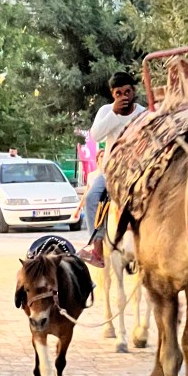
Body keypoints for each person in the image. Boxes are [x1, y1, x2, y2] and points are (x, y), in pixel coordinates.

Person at [78, 71, 145, 268]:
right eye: (119, 93)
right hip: (110, 173)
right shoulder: (106, 111)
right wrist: (114, 113)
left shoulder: (143, 114)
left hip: (136, 173)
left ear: (133, 92)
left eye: (127, 92)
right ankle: (97, 249)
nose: (124, 97)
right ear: (112, 94)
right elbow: (96, 136)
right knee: (91, 198)